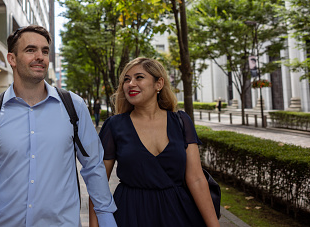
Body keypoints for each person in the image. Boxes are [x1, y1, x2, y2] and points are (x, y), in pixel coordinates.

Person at [0, 25, 117, 227]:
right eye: (30, 50)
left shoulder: (74, 106)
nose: (40, 56)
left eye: (45, 51)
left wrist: (106, 217)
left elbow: (93, 167)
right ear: (12, 59)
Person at [89, 57, 220, 227]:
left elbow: (196, 179)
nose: (130, 84)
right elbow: (98, 184)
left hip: (180, 214)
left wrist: (214, 225)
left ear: (159, 84)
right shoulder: (114, 126)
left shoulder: (181, 122)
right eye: (126, 80)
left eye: (139, 77)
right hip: (131, 213)